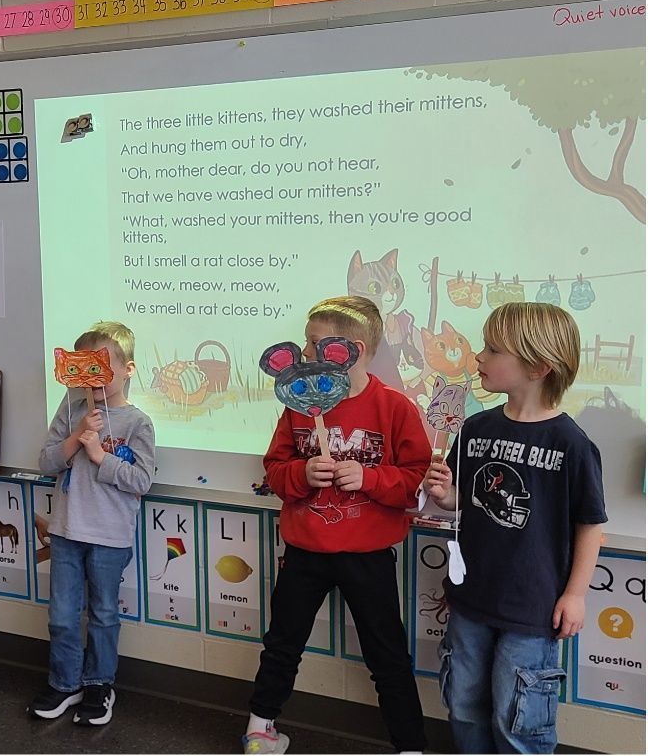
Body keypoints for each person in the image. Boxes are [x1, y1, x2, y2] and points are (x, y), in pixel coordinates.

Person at [246, 296, 428, 755]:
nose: (306, 356)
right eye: (306, 346)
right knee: (282, 643)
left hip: (367, 556)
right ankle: (260, 728)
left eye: (315, 345)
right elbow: (276, 468)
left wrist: (370, 478)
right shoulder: (298, 406)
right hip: (306, 551)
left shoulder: (395, 407)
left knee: (386, 655)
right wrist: (301, 475)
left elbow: (414, 481)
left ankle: (410, 745)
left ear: (357, 349)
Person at [422, 302, 606, 753]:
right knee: (463, 704)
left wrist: (576, 594)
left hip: (532, 610)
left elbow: (590, 524)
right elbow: (465, 500)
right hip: (471, 599)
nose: (479, 358)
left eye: (492, 349)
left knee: (517, 720)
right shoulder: (477, 426)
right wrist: (446, 494)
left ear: (539, 366)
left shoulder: (571, 443)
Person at [27, 321, 155, 726]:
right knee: (62, 615)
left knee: (103, 615)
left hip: (109, 537)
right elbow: (46, 462)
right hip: (66, 532)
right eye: (85, 366)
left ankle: (99, 684)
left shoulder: (138, 423)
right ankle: (65, 683)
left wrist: (100, 456)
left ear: (127, 369)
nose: (94, 377)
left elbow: (142, 481)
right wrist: (77, 436)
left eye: (102, 366)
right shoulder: (70, 410)